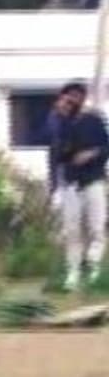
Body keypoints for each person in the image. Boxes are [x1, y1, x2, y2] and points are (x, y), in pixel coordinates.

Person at [51, 82, 109, 290]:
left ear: (83, 98)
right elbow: (56, 154)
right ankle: (73, 272)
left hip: (94, 180)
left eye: (76, 96)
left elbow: (106, 147)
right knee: (72, 229)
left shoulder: (95, 120)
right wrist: (61, 120)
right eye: (69, 96)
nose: (72, 100)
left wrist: (91, 154)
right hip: (71, 183)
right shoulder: (60, 123)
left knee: (96, 227)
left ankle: (92, 266)